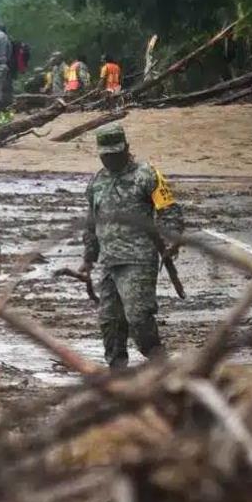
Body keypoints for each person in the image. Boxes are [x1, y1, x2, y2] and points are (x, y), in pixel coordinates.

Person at [79, 124, 185, 370]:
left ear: (126, 149)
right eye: (105, 155)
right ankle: (117, 373)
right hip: (108, 262)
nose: (110, 159)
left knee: (138, 318)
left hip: (138, 260)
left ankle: (161, 364)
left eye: (115, 154)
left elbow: (169, 211)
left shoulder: (146, 175)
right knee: (110, 322)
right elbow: (91, 222)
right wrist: (89, 257)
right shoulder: (96, 182)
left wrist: (171, 241)